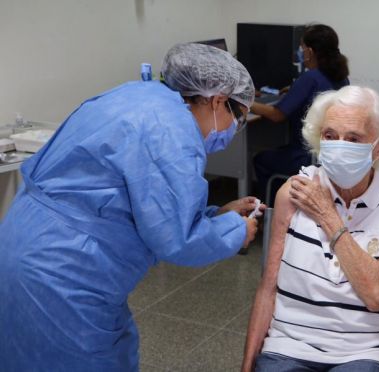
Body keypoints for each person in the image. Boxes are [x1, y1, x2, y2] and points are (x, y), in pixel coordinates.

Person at [0, 43, 264, 372]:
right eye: (236, 118)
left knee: (24, 355)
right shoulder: (172, 130)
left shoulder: (137, 96)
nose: (231, 130)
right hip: (64, 270)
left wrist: (216, 216)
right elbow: (177, 240)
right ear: (218, 100)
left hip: (21, 238)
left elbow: (141, 206)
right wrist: (236, 231)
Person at [242, 86, 379, 372]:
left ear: (378, 146)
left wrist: (328, 215)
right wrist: (247, 366)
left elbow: (377, 296)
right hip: (291, 343)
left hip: (367, 348)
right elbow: (268, 288)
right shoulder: (294, 192)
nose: (339, 145)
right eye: (330, 136)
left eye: (353, 138)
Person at [250, 24, 350, 204]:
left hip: (307, 156)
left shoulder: (310, 78)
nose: (300, 52)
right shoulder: (341, 76)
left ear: (310, 51)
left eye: (302, 47)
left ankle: (272, 212)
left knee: (262, 160)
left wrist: (247, 103)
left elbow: (276, 115)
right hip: (331, 153)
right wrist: (295, 90)